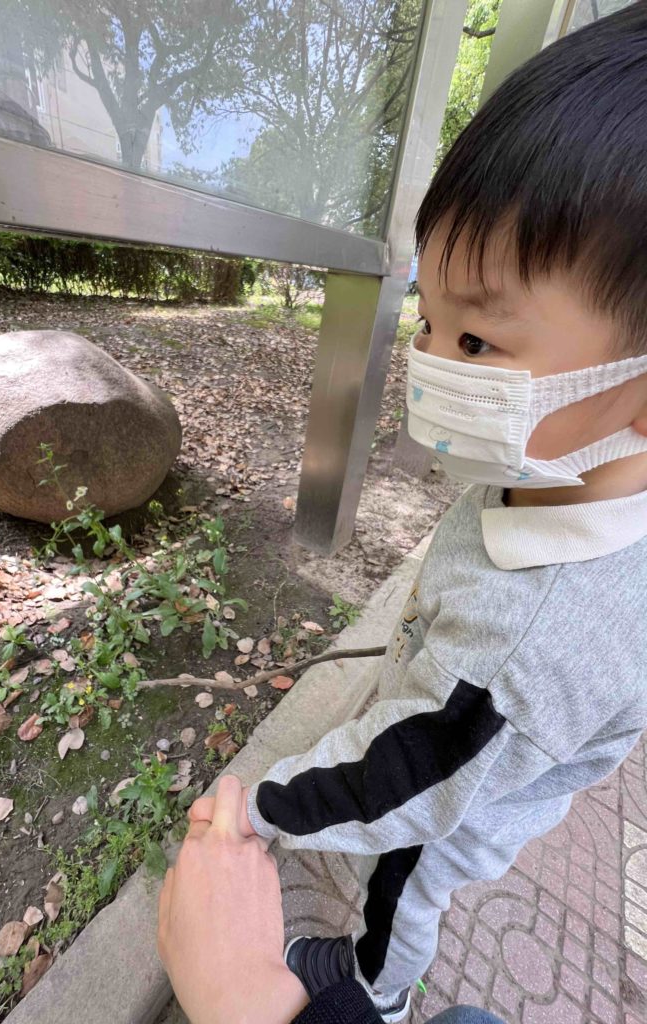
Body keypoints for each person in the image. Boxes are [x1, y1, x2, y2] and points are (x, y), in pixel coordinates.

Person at [189, 5, 647, 1021]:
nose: (430, 364)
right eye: (430, 323)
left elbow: (415, 767)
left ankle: (377, 994)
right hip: (473, 736)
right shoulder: (571, 465)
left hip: (457, 802)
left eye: (477, 342)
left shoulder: (533, 640)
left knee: (406, 887)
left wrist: (264, 806)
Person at [159, 775, 506, 1024]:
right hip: (465, 810)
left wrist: (262, 810)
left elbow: (414, 760)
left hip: (443, 819)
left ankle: (378, 988)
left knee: (401, 901)